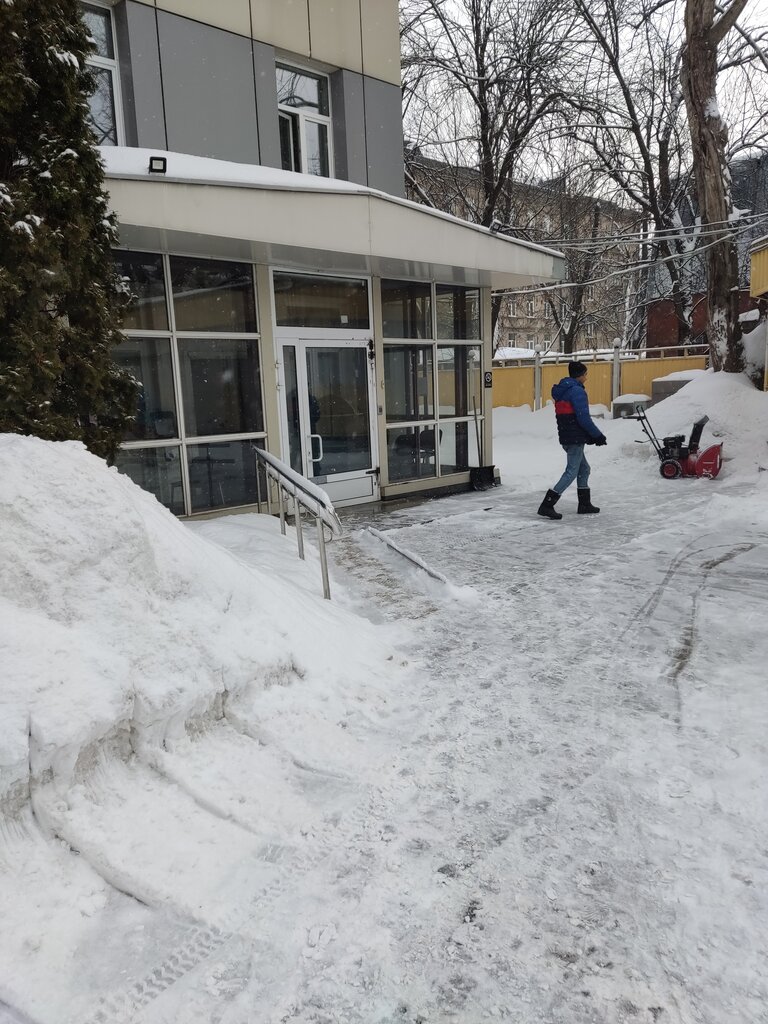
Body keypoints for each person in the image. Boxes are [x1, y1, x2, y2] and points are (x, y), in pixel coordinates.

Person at [537, 360, 607, 520]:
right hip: (574, 437)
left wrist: (590, 436)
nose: (586, 377)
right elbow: (583, 418)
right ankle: (547, 504)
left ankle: (584, 504)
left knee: (584, 469)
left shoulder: (563, 390)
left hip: (567, 435)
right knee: (571, 472)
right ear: (579, 375)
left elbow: (572, 417)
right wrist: (597, 435)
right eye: (585, 374)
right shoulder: (576, 391)